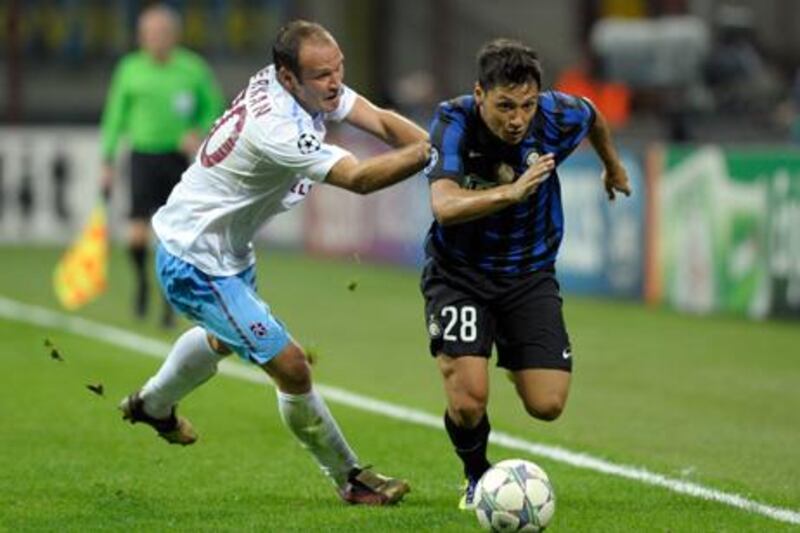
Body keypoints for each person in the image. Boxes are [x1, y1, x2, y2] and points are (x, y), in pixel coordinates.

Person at [118, 20, 430, 506]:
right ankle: (350, 478)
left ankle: (153, 405)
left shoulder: (304, 84)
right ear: (288, 77)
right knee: (292, 367)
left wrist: (438, 150)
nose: (335, 82)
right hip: (194, 258)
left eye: (339, 69)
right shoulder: (276, 127)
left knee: (224, 338)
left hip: (227, 250)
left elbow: (382, 120)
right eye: (322, 75)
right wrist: (431, 154)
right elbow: (362, 178)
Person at [420, 38, 631, 510]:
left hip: (529, 274)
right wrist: (510, 194)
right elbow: (445, 204)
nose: (517, 119)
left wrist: (612, 168)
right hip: (459, 275)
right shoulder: (453, 121)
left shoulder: (556, 114)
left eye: (527, 106)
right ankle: (477, 476)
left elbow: (593, 114)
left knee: (548, 405)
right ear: (480, 95)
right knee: (469, 399)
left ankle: (512, 355)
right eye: (505, 106)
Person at [99, 4, 225, 327]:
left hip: (178, 161)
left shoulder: (192, 69)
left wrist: (199, 131)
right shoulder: (129, 69)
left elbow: (215, 107)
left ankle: (170, 300)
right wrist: (108, 159)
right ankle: (142, 281)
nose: (157, 39)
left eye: (163, 33)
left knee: (173, 238)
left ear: (175, 35)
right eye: (150, 33)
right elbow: (115, 116)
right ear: (141, 37)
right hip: (142, 157)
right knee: (137, 235)